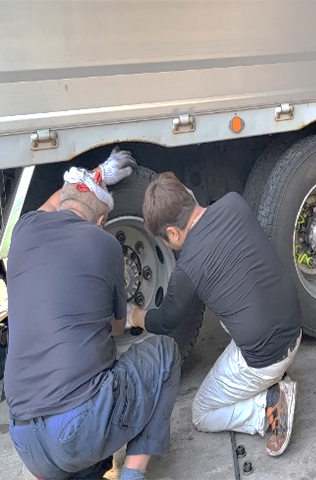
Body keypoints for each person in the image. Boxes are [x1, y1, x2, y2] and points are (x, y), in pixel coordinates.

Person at [4, 149, 180, 480]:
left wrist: (95, 173)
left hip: (26, 443)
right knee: (164, 353)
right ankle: (133, 475)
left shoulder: (24, 230)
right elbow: (116, 328)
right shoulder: (105, 244)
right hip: (76, 430)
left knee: (87, 444)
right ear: (102, 224)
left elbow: (58, 200)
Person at [126, 172, 302, 456]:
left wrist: (134, 315)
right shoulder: (234, 203)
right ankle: (273, 377)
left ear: (173, 233)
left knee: (202, 414)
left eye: (166, 239)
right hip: (294, 325)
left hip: (265, 356)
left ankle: (269, 405)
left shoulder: (187, 270)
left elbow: (165, 321)